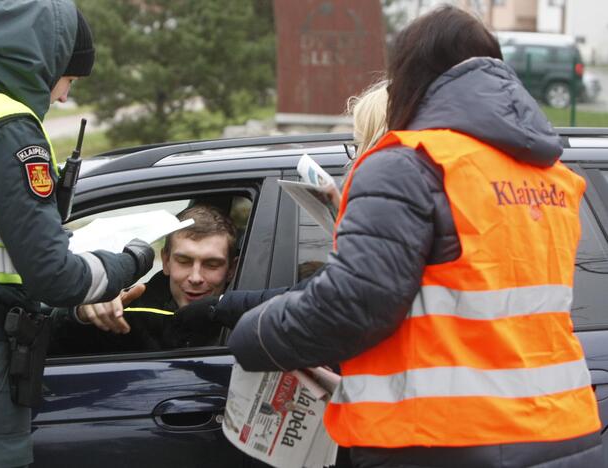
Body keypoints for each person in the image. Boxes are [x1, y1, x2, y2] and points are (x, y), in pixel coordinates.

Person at [228, 6, 602, 468]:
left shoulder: (409, 162)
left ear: (407, 77)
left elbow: (356, 303)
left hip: (444, 441)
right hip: (563, 430)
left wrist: (254, 333)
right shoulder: (550, 177)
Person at [0, 1, 153, 467]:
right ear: (43, 58)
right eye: (69, 80)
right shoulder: (8, 128)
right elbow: (56, 279)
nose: (63, 97)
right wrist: (133, 259)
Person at [173, 83, 390, 332]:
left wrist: (223, 312)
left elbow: (322, 298)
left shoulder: (390, 219)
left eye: (357, 146)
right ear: (165, 261)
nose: (352, 161)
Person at [57, 204, 239, 353]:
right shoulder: (130, 311)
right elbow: (50, 345)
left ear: (231, 269)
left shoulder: (249, 313)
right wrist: (82, 313)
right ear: (166, 261)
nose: (195, 277)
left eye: (212, 264)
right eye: (184, 261)